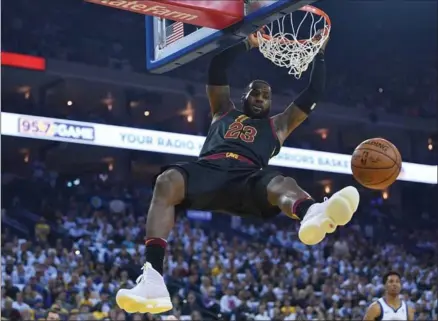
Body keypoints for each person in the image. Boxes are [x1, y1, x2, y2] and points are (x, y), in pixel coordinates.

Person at [116, 31, 360, 314]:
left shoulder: (278, 125)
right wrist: (248, 42)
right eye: (255, 92)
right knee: (166, 180)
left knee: (280, 181)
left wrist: (318, 53)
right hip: (209, 168)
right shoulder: (223, 110)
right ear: (244, 96)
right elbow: (217, 65)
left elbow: (313, 93)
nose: (259, 98)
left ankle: (311, 214)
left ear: (270, 102)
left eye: (265, 95)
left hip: (247, 177)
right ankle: (153, 279)